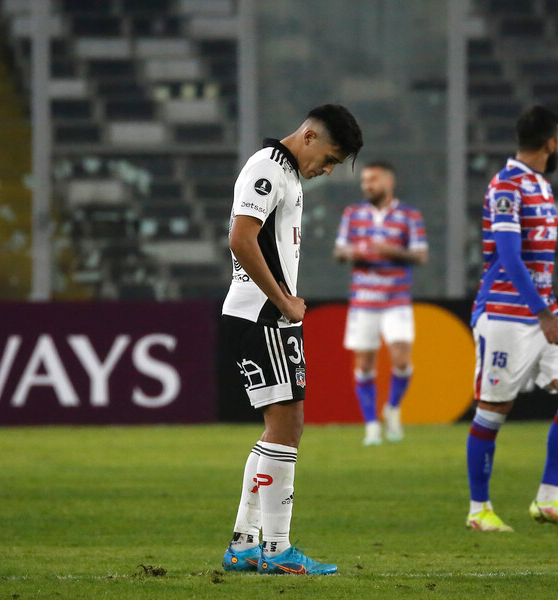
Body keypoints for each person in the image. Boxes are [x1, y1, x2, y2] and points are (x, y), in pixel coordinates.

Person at [221, 104, 362, 574]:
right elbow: (241, 239)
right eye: (330, 158)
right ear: (308, 136)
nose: (327, 169)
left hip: (263, 314)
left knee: (278, 431)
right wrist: (283, 302)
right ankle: (277, 550)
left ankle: (244, 546)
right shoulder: (267, 169)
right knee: (287, 429)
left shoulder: (285, 173)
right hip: (264, 315)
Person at [467, 105, 558, 532]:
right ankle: (479, 508)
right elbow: (507, 254)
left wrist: (546, 309)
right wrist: (543, 313)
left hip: (544, 308)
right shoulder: (506, 185)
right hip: (506, 313)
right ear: (552, 140)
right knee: (494, 408)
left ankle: (549, 498)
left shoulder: (540, 184)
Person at [334, 161, 427, 445]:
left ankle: (393, 408)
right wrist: (354, 252)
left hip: (396, 299)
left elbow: (421, 256)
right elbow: (338, 251)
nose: (367, 185)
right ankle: (372, 425)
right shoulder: (353, 213)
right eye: (365, 180)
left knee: (401, 359)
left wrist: (390, 251)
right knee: (364, 364)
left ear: (389, 182)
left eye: (373, 180)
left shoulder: (409, 215)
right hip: (363, 300)